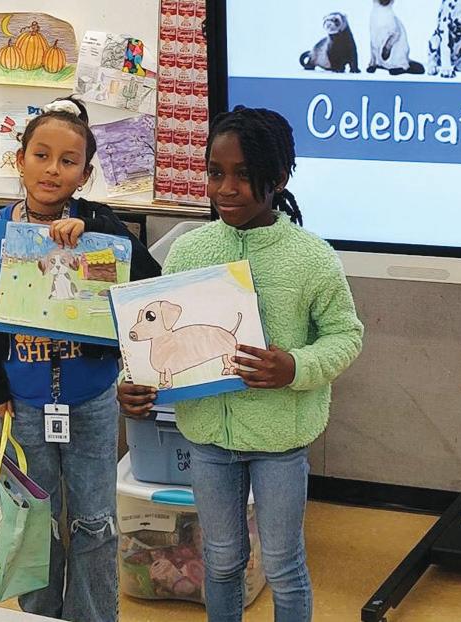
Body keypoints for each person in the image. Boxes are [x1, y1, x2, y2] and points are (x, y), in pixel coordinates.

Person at [118, 105, 363, 622]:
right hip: (208, 439)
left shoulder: (311, 257)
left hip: (280, 442)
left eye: (244, 175)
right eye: (215, 173)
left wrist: (294, 366)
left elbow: (346, 335)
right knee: (223, 559)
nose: (226, 188)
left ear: (279, 177)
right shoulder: (190, 250)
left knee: (283, 564)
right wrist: (133, 383)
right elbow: (154, 335)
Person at [0, 96, 161, 622]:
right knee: (35, 522)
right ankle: (41, 615)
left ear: (85, 174)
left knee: (94, 520)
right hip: (22, 404)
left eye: (68, 161)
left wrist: (97, 236)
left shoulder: (99, 222)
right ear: (18, 159)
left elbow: (150, 282)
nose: (52, 169)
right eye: (41, 155)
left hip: (90, 400)